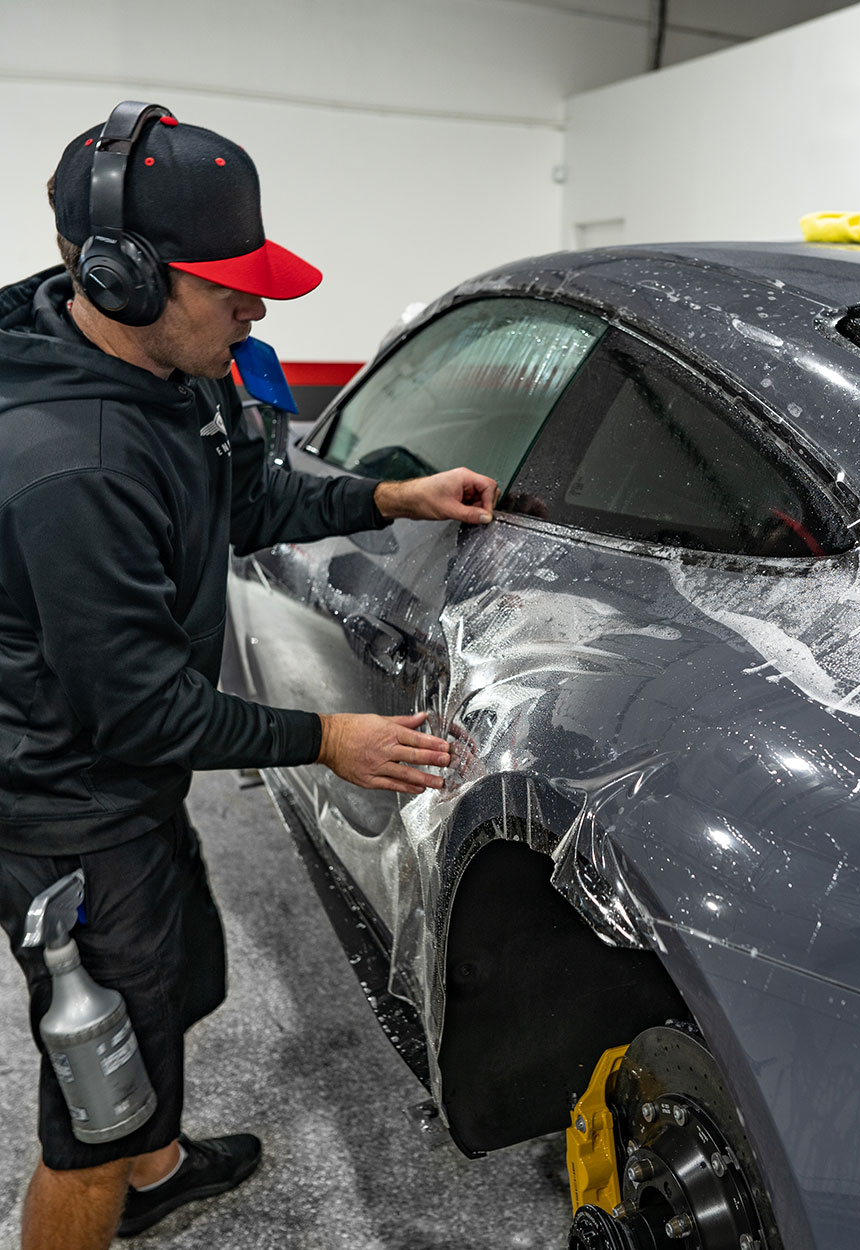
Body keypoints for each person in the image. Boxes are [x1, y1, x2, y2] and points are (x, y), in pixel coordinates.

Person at [0, 102, 499, 1250]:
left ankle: (158, 1166)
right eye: (230, 285)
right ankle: (115, 1171)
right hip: (65, 799)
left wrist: (388, 495)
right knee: (95, 1089)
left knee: (173, 984)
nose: (258, 307)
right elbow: (140, 707)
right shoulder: (66, 461)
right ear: (125, 276)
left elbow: (248, 501)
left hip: (121, 778)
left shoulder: (165, 372)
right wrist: (328, 737)